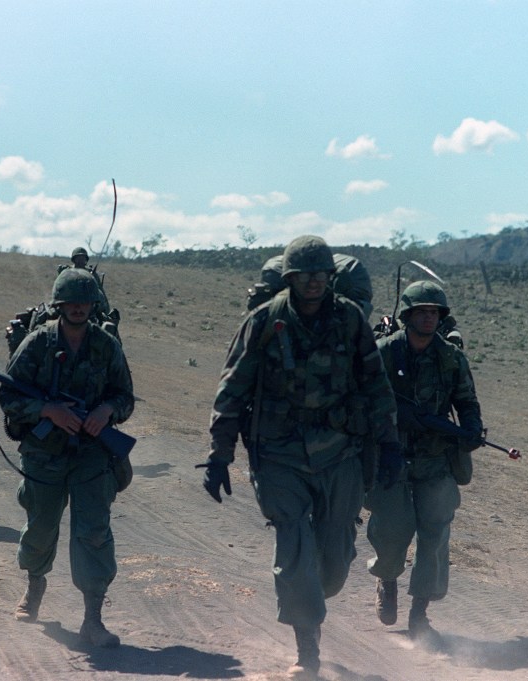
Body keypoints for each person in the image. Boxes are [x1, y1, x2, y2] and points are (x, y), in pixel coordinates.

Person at [201, 235, 402, 678]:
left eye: (320, 273)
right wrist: (219, 455)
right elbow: (232, 389)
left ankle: (312, 601)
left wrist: (389, 444)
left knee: (334, 564)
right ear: (290, 278)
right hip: (279, 454)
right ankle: (306, 648)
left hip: (341, 453)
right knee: (293, 546)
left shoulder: (349, 319)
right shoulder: (264, 321)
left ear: (330, 276)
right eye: (303, 274)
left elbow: (376, 385)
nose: (313, 281)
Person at [0, 268, 134, 648]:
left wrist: (106, 411)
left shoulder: (106, 345)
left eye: (84, 302)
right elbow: (9, 397)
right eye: (71, 302)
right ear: (59, 304)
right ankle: (34, 587)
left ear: (93, 305)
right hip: (45, 454)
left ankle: (93, 619)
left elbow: (125, 396)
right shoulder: (37, 343)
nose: (78, 308)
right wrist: (47, 410)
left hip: (92, 453)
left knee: (94, 533)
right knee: (41, 528)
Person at [366, 280, 483, 644]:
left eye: (434, 313)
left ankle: (420, 613)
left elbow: (466, 400)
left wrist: (471, 428)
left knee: (435, 535)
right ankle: (387, 580)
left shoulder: (450, 358)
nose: (429, 318)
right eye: (422, 312)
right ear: (408, 316)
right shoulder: (383, 353)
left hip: (436, 458)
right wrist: (394, 419)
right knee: (392, 531)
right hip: (390, 457)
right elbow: (361, 400)